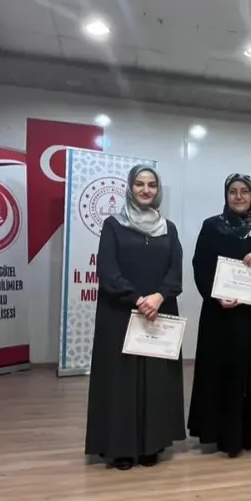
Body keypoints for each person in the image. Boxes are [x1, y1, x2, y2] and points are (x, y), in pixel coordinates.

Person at [85, 166, 185, 470]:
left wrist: (159, 297)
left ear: (158, 190)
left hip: (159, 312)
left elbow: (175, 270)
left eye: (151, 185)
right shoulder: (114, 225)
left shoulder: (168, 228)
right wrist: (137, 299)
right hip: (120, 313)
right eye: (139, 184)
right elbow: (107, 269)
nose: (146, 190)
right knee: (122, 381)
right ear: (130, 188)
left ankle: (152, 444)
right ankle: (122, 448)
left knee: (156, 381)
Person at [187, 174, 251, 458]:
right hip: (220, 314)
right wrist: (215, 296)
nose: (239, 196)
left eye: (245, 191)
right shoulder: (211, 226)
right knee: (221, 370)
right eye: (233, 191)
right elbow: (200, 266)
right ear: (226, 196)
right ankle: (220, 433)